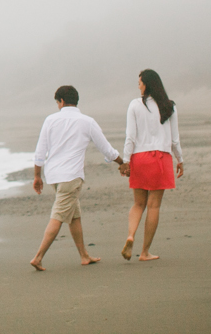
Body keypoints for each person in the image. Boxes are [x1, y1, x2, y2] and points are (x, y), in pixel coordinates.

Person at [30, 85, 125, 271]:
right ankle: (38, 257)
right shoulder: (86, 121)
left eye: (57, 102)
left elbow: (40, 152)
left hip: (54, 176)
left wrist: (36, 176)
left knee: (74, 215)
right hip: (71, 176)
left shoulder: (50, 120)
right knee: (58, 216)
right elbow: (106, 149)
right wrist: (122, 163)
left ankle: (84, 256)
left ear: (61, 101)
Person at [120, 69, 185, 261]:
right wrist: (180, 159)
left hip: (139, 158)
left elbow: (130, 137)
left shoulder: (134, 105)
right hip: (161, 159)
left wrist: (125, 161)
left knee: (138, 203)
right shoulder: (169, 106)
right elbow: (174, 139)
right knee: (154, 206)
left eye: (140, 82)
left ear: (147, 84)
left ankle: (131, 235)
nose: (138, 85)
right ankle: (145, 252)